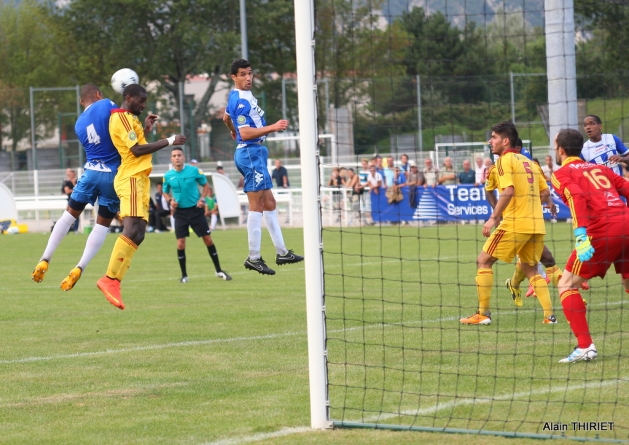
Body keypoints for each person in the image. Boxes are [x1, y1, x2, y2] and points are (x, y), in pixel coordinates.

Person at [96, 83, 187, 310]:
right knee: (132, 230)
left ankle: (113, 280)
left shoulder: (130, 119)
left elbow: (135, 145)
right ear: (128, 97)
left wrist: (145, 129)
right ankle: (110, 279)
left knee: (139, 234)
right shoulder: (122, 118)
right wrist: (169, 140)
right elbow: (135, 151)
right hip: (131, 178)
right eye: (141, 100)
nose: (144, 105)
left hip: (139, 179)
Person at [460, 121, 557, 325]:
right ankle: (550, 317)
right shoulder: (529, 162)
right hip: (536, 224)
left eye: (493, 137)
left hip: (515, 223)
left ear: (505, 141)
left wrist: (493, 218)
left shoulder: (505, 161)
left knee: (483, 261)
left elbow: (509, 190)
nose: (490, 141)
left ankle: (483, 314)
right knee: (531, 269)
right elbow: (545, 192)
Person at [32, 84, 120, 291]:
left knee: (68, 216)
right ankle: (80, 266)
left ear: (82, 102)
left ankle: (46, 257)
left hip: (90, 172)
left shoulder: (79, 123)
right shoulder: (107, 104)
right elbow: (121, 123)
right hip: (112, 174)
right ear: (98, 95)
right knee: (102, 225)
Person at [552, 128, 629, 362]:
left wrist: (581, 235)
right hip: (625, 222)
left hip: (602, 229)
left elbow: (576, 197)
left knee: (566, 284)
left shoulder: (561, 173)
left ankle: (585, 346)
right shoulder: (600, 168)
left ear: (561, 150)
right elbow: (626, 188)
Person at [223, 58, 303, 275]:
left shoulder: (238, 96)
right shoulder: (241, 100)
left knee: (269, 202)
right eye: (242, 74)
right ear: (234, 77)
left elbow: (225, 118)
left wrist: (232, 130)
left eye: (250, 73)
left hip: (255, 152)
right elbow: (246, 133)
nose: (248, 78)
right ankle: (254, 257)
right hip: (250, 153)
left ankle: (282, 251)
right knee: (257, 205)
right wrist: (273, 127)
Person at [162, 147, 231, 283]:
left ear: (183, 157)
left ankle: (218, 270)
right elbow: (165, 192)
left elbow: (205, 186)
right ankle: (184, 275)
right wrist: (170, 201)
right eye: (174, 156)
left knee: (208, 240)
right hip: (180, 213)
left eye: (179, 155)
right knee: (181, 244)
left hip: (196, 211)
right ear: (171, 159)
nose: (177, 157)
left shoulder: (194, 171)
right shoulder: (168, 176)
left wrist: (203, 199)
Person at [61, 168, 79, 233]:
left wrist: (74, 184)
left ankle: (75, 229)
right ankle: (66, 230)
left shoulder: (77, 181)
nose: (73, 175)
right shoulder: (67, 182)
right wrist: (75, 190)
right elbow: (67, 191)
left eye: (74, 174)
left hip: (77, 200)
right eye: (72, 174)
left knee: (76, 216)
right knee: (68, 215)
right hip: (70, 200)